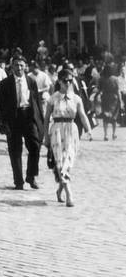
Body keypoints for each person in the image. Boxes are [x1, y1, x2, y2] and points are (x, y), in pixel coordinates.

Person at [45, 69, 92, 207]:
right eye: (65, 80)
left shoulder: (76, 99)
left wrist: (88, 130)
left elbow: (82, 115)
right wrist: (45, 137)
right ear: (59, 81)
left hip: (72, 131)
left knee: (68, 162)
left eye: (70, 80)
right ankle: (69, 194)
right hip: (57, 131)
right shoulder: (53, 98)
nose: (68, 83)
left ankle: (60, 189)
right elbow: (47, 118)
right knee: (60, 163)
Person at [0, 56, 45, 190]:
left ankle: (31, 176)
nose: (19, 68)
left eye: (21, 65)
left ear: (26, 67)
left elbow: (37, 102)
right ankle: (18, 181)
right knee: (15, 150)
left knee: (35, 146)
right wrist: (2, 122)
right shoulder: (5, 83)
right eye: (16, 65)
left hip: (28, 116)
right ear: (12, 67)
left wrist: (40, 120)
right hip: (13, 119)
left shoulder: (31, 81)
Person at [99, 62, 122, 141]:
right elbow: (118, 91)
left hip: (105, 99)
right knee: (114, 118)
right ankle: (114, 134)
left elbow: (99, 89)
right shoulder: (115, 79)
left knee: (105, 118)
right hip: (114, 100)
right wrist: (121, 101)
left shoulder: (101, 79)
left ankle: (106, 135)